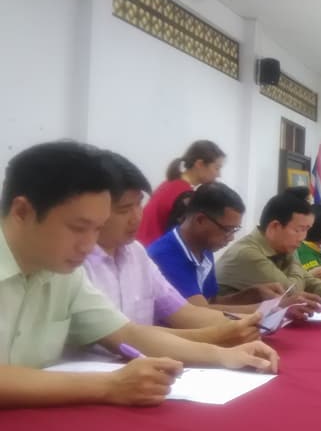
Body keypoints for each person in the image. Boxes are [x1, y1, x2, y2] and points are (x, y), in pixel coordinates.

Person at [0, 142, 277, 409]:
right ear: (22, 212)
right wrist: (108, 385)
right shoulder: (64, 263)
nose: (88, 245)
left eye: (97, 229)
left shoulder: (63, 272)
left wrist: (224, 356)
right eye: (78, 228)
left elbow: (127, 333)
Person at [83, 151, 262, 347]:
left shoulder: (137, 254)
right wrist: (226, 332)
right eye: (125, 209)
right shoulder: (79, 264)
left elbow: (185, 312)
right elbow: (129, 336)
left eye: (139, 204)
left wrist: (249, 321)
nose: (137, 217)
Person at [148, 183, 315, 313]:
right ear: (200, 220)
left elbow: (211, 301)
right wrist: (274, 308)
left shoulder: (205, 249)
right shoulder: (166, 255)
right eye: (227, 229)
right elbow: (199, 312)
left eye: (235, 230)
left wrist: (252, 294)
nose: (231, 237)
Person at [215, 189, 321, 299]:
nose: (303, 238)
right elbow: (291, 292)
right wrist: (295, 262)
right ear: (274, 227)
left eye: (307, 230)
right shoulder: (247, 254)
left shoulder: (279, 248)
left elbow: (307, 279)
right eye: (299, 230)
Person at [136, 140, 224, 247]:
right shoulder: (184, 196)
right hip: (153, 251)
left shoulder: (170, 183)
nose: (219, 175)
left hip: (144, 246)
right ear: (199, 164)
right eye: (217, 168)